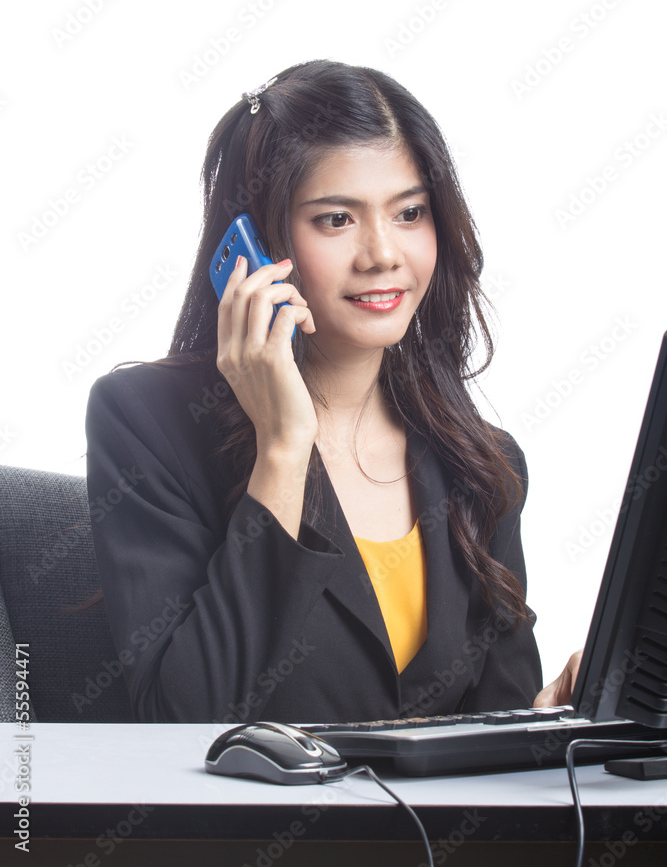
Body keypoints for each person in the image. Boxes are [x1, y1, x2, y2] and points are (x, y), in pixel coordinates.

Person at [85, 59, 579, 724]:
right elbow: (181, 721)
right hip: (247, 831)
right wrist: (283, 448)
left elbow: (488, 743)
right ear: (256, 245)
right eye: (336, 219)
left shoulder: (479, 463)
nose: (382, 253)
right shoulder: (148, 422)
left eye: (409, 212)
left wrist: (549, 720)